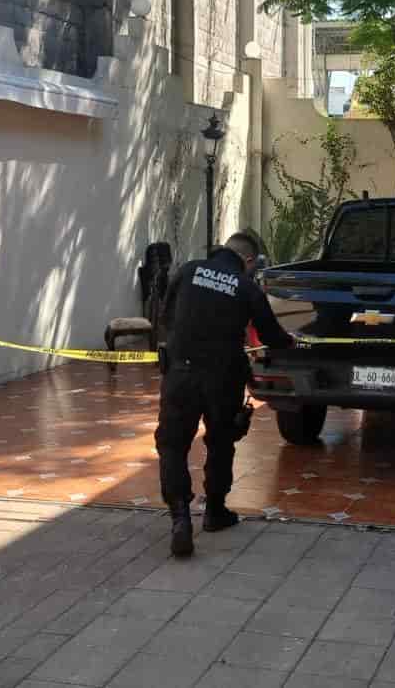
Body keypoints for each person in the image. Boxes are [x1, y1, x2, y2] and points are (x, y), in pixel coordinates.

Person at [155, 231, 294, 557]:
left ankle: (180, 518)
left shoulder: (188, 270)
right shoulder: (247, 287)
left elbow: (166, 317)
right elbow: (271, 335)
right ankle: (215, 512)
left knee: (173, 445)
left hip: (180, 374)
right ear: (249, 260)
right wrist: (293, 342)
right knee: (220, 443)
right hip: (223, 379)